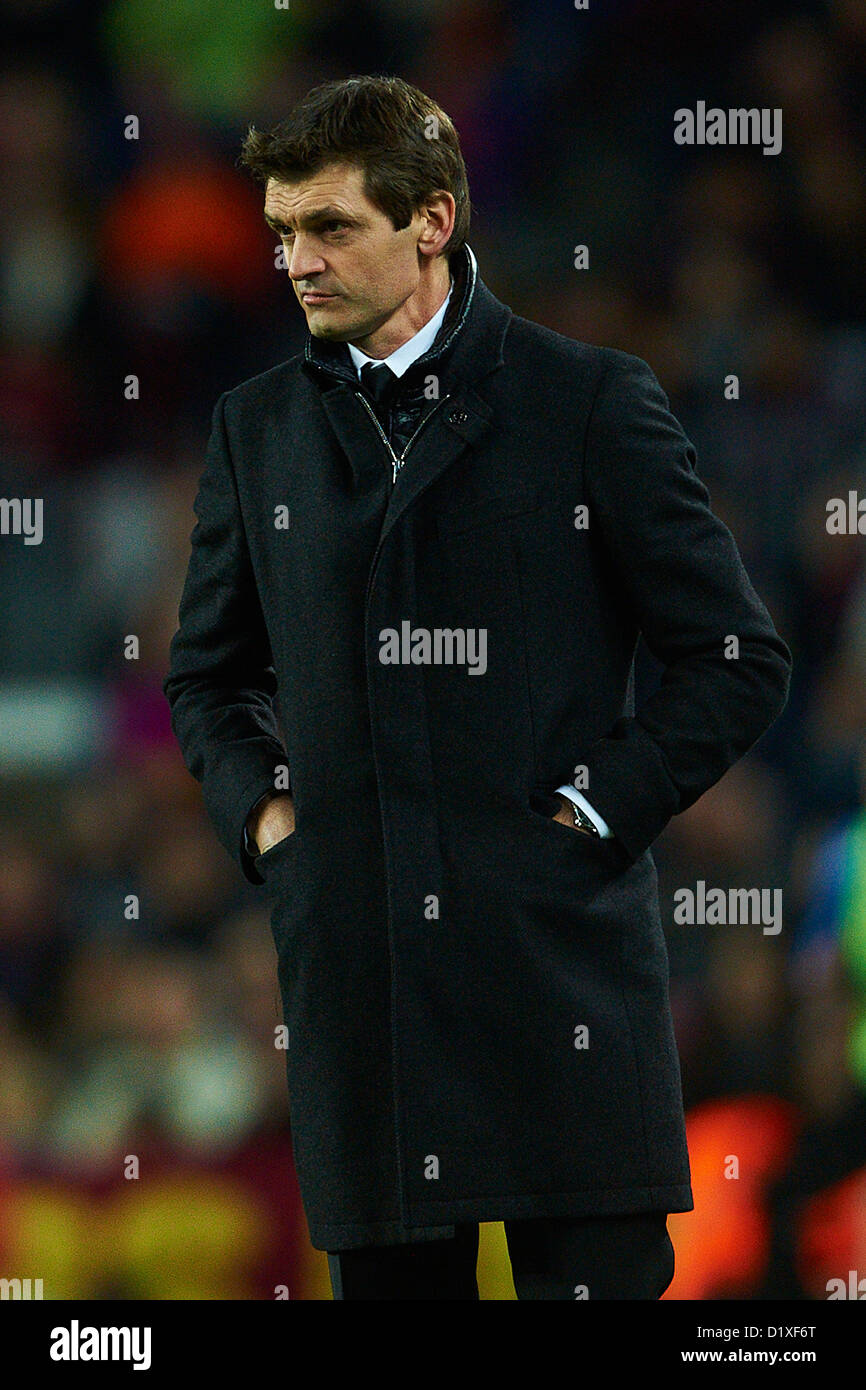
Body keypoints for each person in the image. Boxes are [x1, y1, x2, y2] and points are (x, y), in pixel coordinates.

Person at [163, 75, 792, 1300]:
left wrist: (594, 813)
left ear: (432, 222)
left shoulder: (587, 400)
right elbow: (207, 676)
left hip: (557, 977)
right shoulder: (256, 430)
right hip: (363, 991)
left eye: (330, 226)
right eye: (282, 231)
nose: (296, 260)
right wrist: (270, 826)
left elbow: (734, 656)